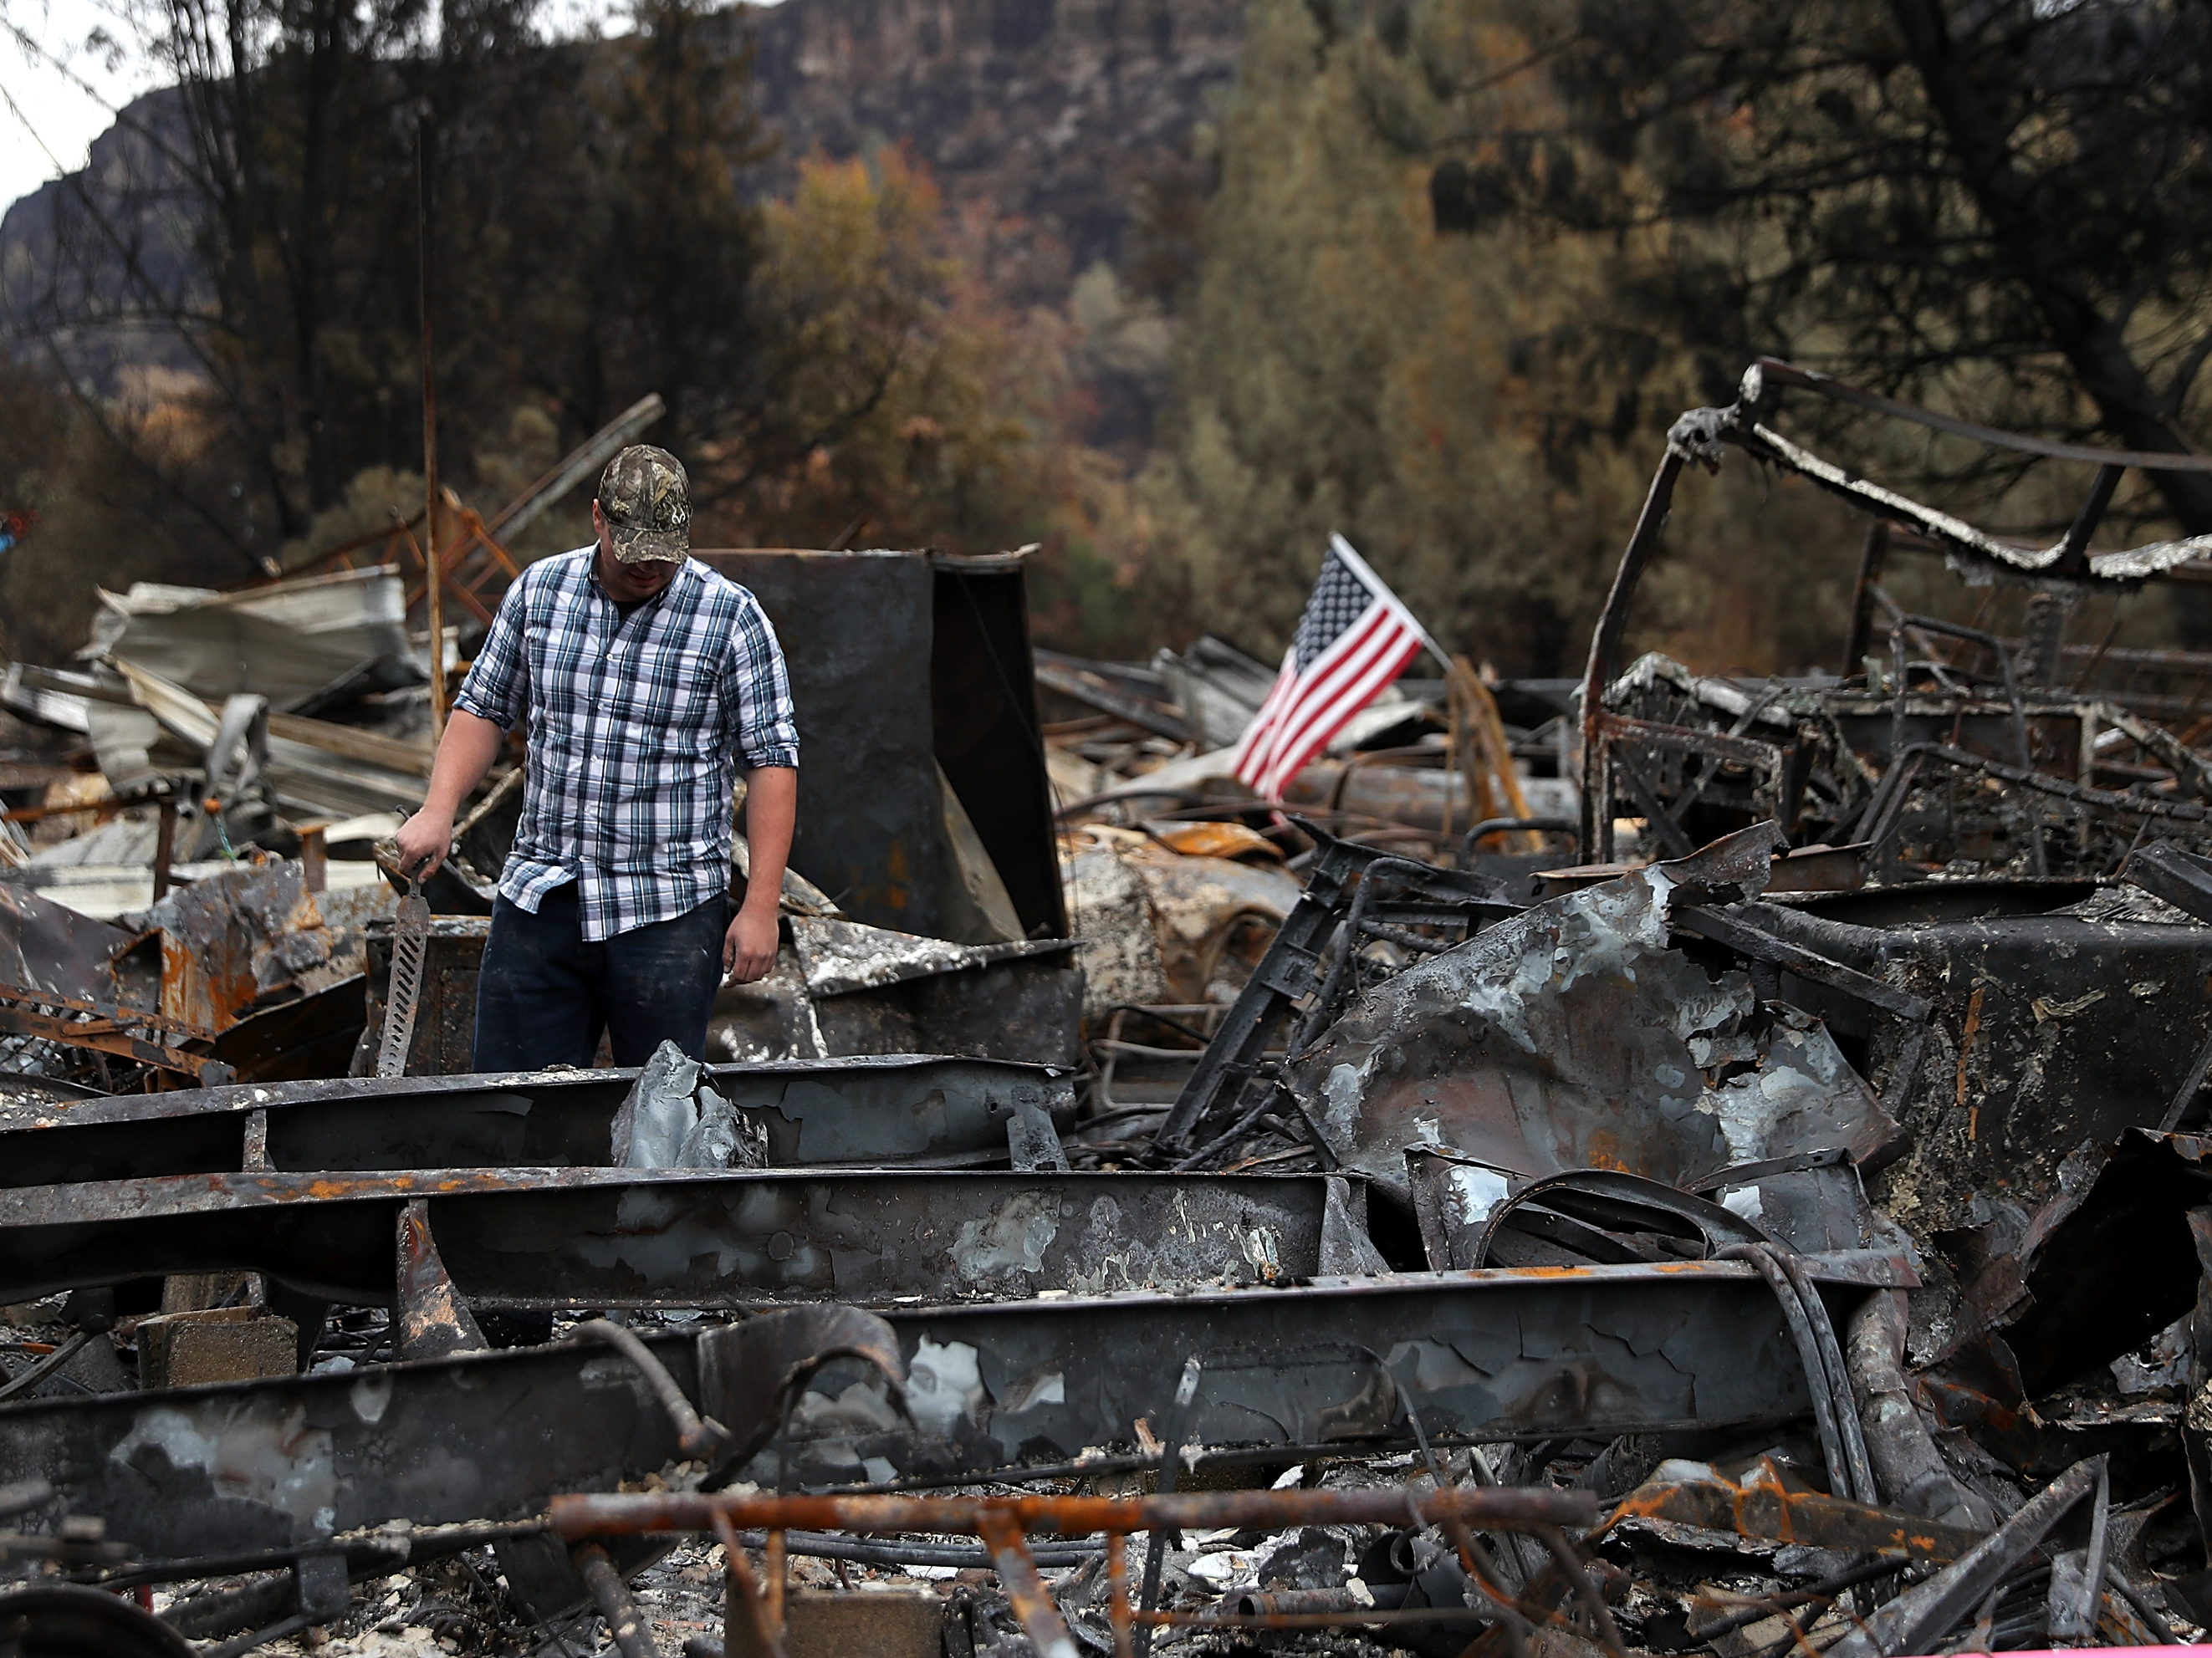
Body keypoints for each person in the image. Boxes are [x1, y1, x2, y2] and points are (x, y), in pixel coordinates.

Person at [393, 444, 799, 1070]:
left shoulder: (731, 618)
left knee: (658, 1118)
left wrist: (760, 905)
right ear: (598, 520)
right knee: (510, 1108)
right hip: (542, 897)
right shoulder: (539, 593)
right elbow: (483, 708)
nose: (650, 568)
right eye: (634, 551)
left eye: (665, 554)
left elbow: (771, 760)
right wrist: (438, 809)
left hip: (667, 911)